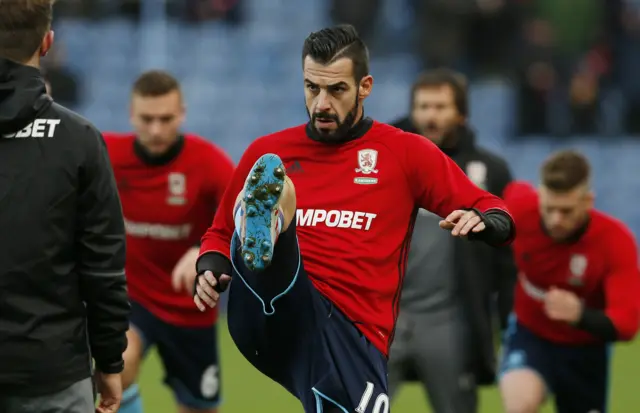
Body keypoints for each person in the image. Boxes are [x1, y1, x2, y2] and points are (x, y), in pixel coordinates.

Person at [193, 25, 515, 413]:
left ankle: (271, 223)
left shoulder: (405, 153)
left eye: (336, 90)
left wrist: (488, 221)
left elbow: (493, 207)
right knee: (277, 184)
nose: (321, 104)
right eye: (312, 88)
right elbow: (218, 233)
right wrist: (210, 264)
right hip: (274, 311)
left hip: (353, 333)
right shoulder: (270, 151)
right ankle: (273, 221)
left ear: (365, 86)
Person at [0, 1, 129, 413]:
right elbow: (103, 269)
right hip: (52, 374)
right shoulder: (79, 140)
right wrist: (110, 361)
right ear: (47, 43)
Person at [103, 70, 234, 413]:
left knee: (199, 408)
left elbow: (244, 218)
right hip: (133, 299)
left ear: (182, 114)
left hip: (192, 309)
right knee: (118, 362)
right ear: (132, 115)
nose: (156, 129)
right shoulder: (106, 155)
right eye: (147, 119)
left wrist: (205, 251)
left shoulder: (209, 163)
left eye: (166, 118)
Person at [387, 69, 517, 413]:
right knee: (351, 404)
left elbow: (506, 261)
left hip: (450, 321)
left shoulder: (489, 171)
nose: (431, 115)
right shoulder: (383, 162)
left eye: (441, 106)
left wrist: (507, 326)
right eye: (424, 106)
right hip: (385, 316)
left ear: (461, 113)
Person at [499, 150, 640, 413]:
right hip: (532, 334)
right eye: (549, 208)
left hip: (585, 348)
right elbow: (503, 187)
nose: (556, 220)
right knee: (520, 405)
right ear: (540, 197)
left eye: (566, 211)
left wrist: (580, 315)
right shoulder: (520, 209)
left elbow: (628, 323)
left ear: (588, 201)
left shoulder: (615, 240)